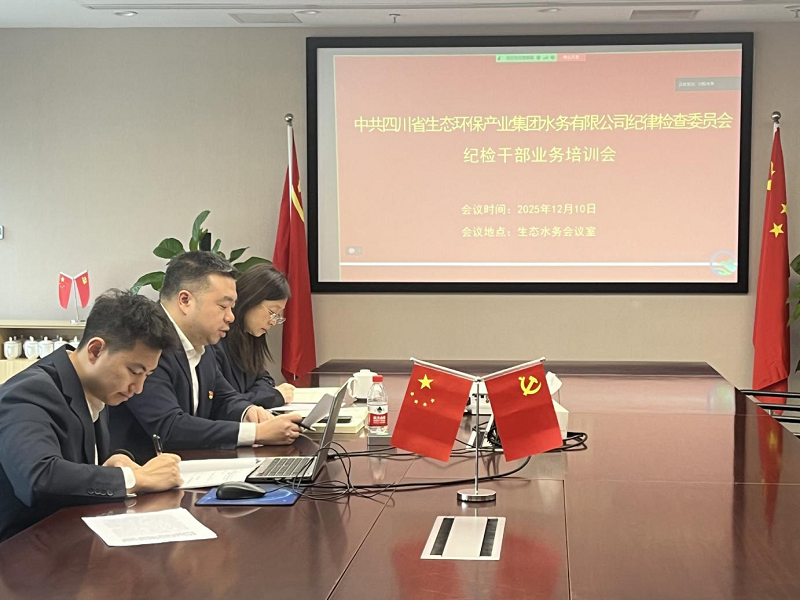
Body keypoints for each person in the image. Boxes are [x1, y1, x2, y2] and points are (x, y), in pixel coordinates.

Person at [0, 290, 184, 542]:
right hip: (21, 551)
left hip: (70, 537)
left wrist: (115, 460)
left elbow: (79, 459)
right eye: (134, 371)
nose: (139, 387)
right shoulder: (28, 393)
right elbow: (40, 478)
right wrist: (135, 478)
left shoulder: (95, 386)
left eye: (146, 375)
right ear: (96, 350)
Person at [108, 251, 303, 462]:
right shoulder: (148, 340)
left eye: (232, 307)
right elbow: (170, 427)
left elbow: (223, 397)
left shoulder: (202, 343)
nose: (231, 317)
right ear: (185, 300)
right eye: (223, 306)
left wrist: (249, 412)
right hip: (142, 471)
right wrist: (256, 433)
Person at [212, 263, 295, 409]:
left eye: (278, 315)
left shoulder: (249, 337)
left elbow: (265, 379)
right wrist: (274, 396)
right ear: (250, 299)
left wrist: (258, 394)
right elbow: (225, 403)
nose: (273, 322)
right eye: (272, 312)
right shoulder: (215, 339)